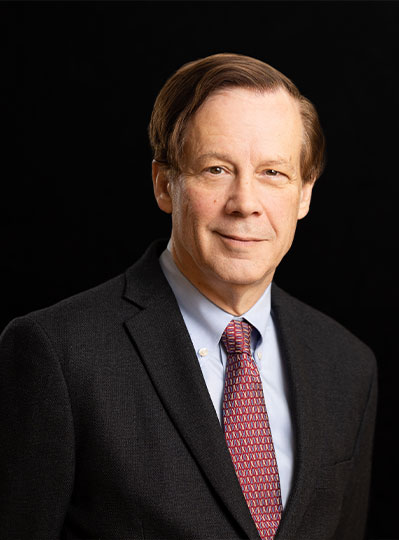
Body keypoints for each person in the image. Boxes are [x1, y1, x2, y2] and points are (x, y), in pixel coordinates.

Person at [0, 53, 377, 540]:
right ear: (164, 184)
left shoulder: (348, 366)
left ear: (304, 193)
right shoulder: (56, 354)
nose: (245, 203)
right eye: (217, 169)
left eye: (273, 173)